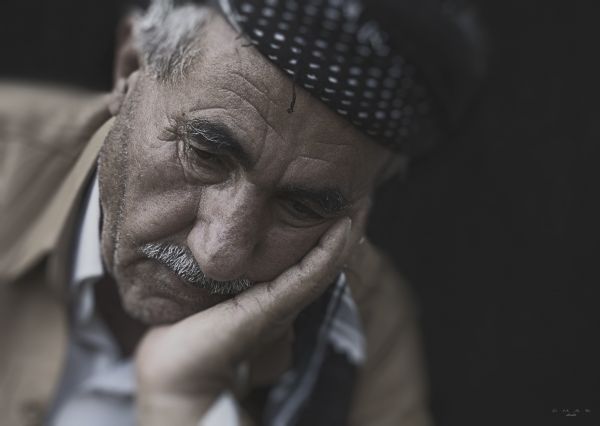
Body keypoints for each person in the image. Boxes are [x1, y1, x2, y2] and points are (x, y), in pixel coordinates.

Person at [0, 0, 484, 424]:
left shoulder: (362, 327)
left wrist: (185, 402)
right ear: (130, 69)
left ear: (362, 205)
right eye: (206, 156)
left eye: (302, 206)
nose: (219, 254)